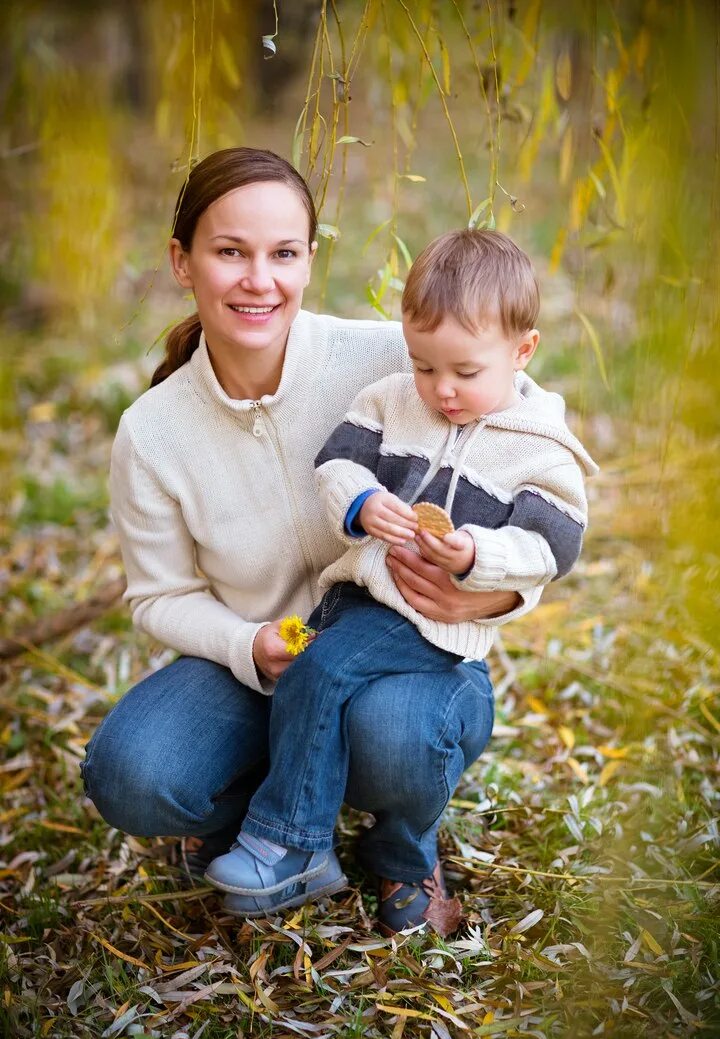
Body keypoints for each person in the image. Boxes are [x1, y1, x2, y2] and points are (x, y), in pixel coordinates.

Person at [81, 147, 543, 936]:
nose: (259, 280)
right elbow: (159, 595)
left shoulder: (386, 358)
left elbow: (521, 429)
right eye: (229, 252)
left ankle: (405, 844)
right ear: (182, 262)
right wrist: (247, 643)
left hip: (403, 652)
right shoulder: (153, 432)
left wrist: (498, 588)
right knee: (132, 774)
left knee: (393, 739)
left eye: (283, 254)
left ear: (308, 261)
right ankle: (269, 808)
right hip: (263, 664)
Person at [204, 229, 598, 933]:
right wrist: (360, 503)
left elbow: (554, 545)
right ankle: (285, 819)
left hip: (436, 629)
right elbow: (336, 463)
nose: (441, 390)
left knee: (322, 672)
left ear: (523, 351)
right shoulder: (392, 400)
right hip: (358, 600)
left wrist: (478, 555)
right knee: (306, 667)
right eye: (424, 367)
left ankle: (292, 842)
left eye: (465, 372)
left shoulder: (538, 446)